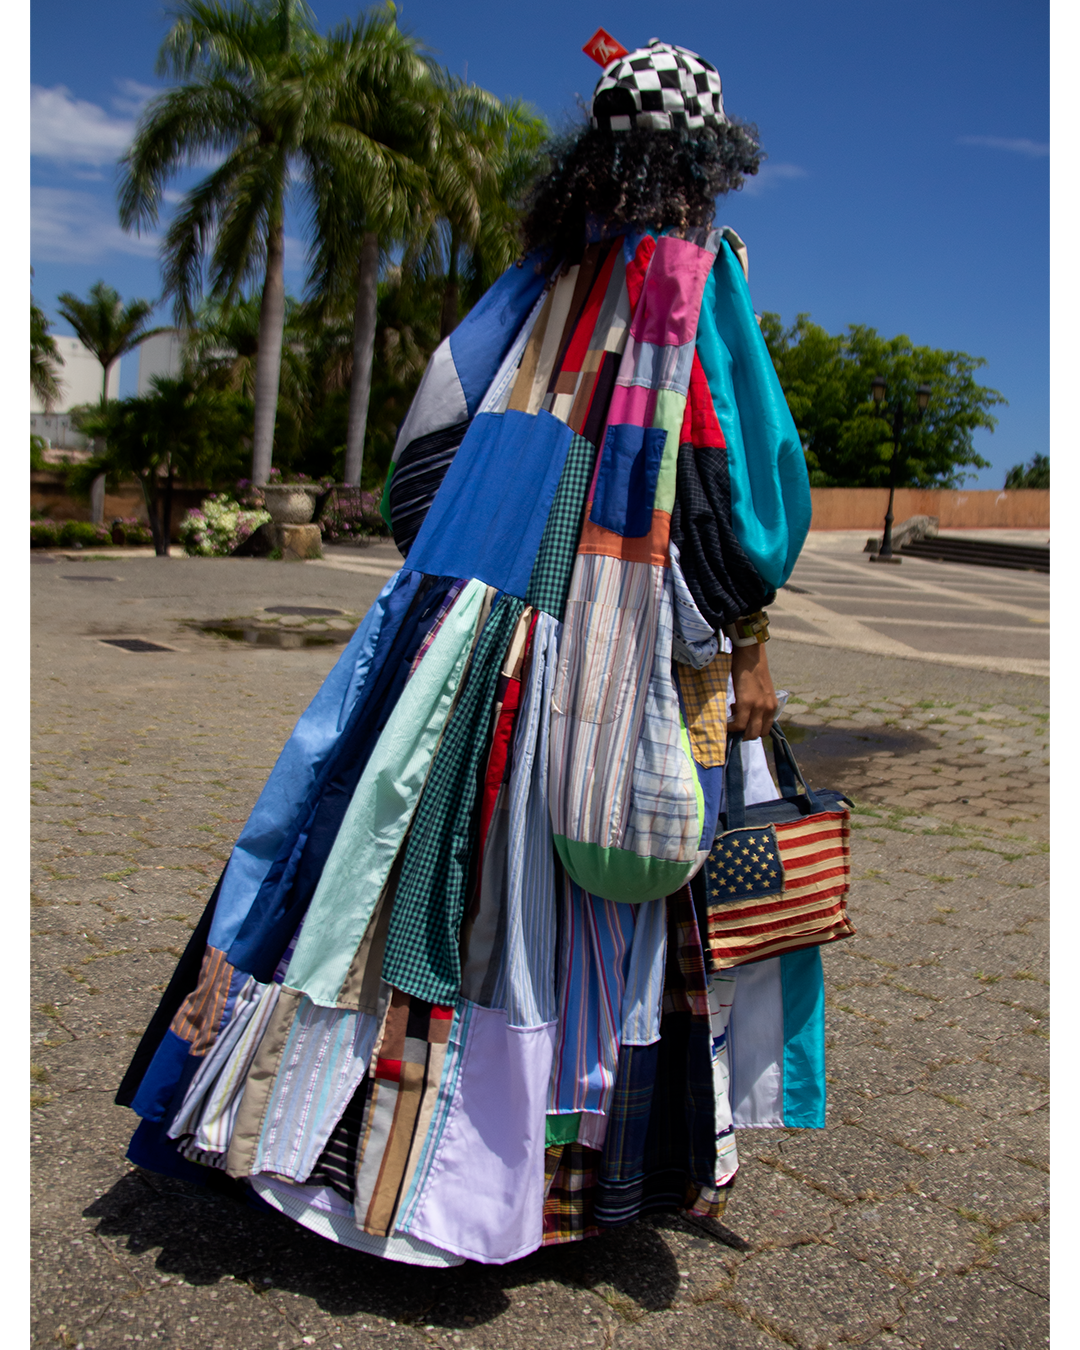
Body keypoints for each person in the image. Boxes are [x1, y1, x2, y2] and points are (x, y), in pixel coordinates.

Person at [115, 35, 820, 1268]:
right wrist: (735, 628)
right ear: (711, 158)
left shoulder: (539, 275)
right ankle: (551, 1177)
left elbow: (422, 451)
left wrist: (462, 565)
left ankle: (346, 1154)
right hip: (621, 633)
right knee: (603, 874)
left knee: (398, 851)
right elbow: (746, 498)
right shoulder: (699, 276)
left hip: (467, 614)